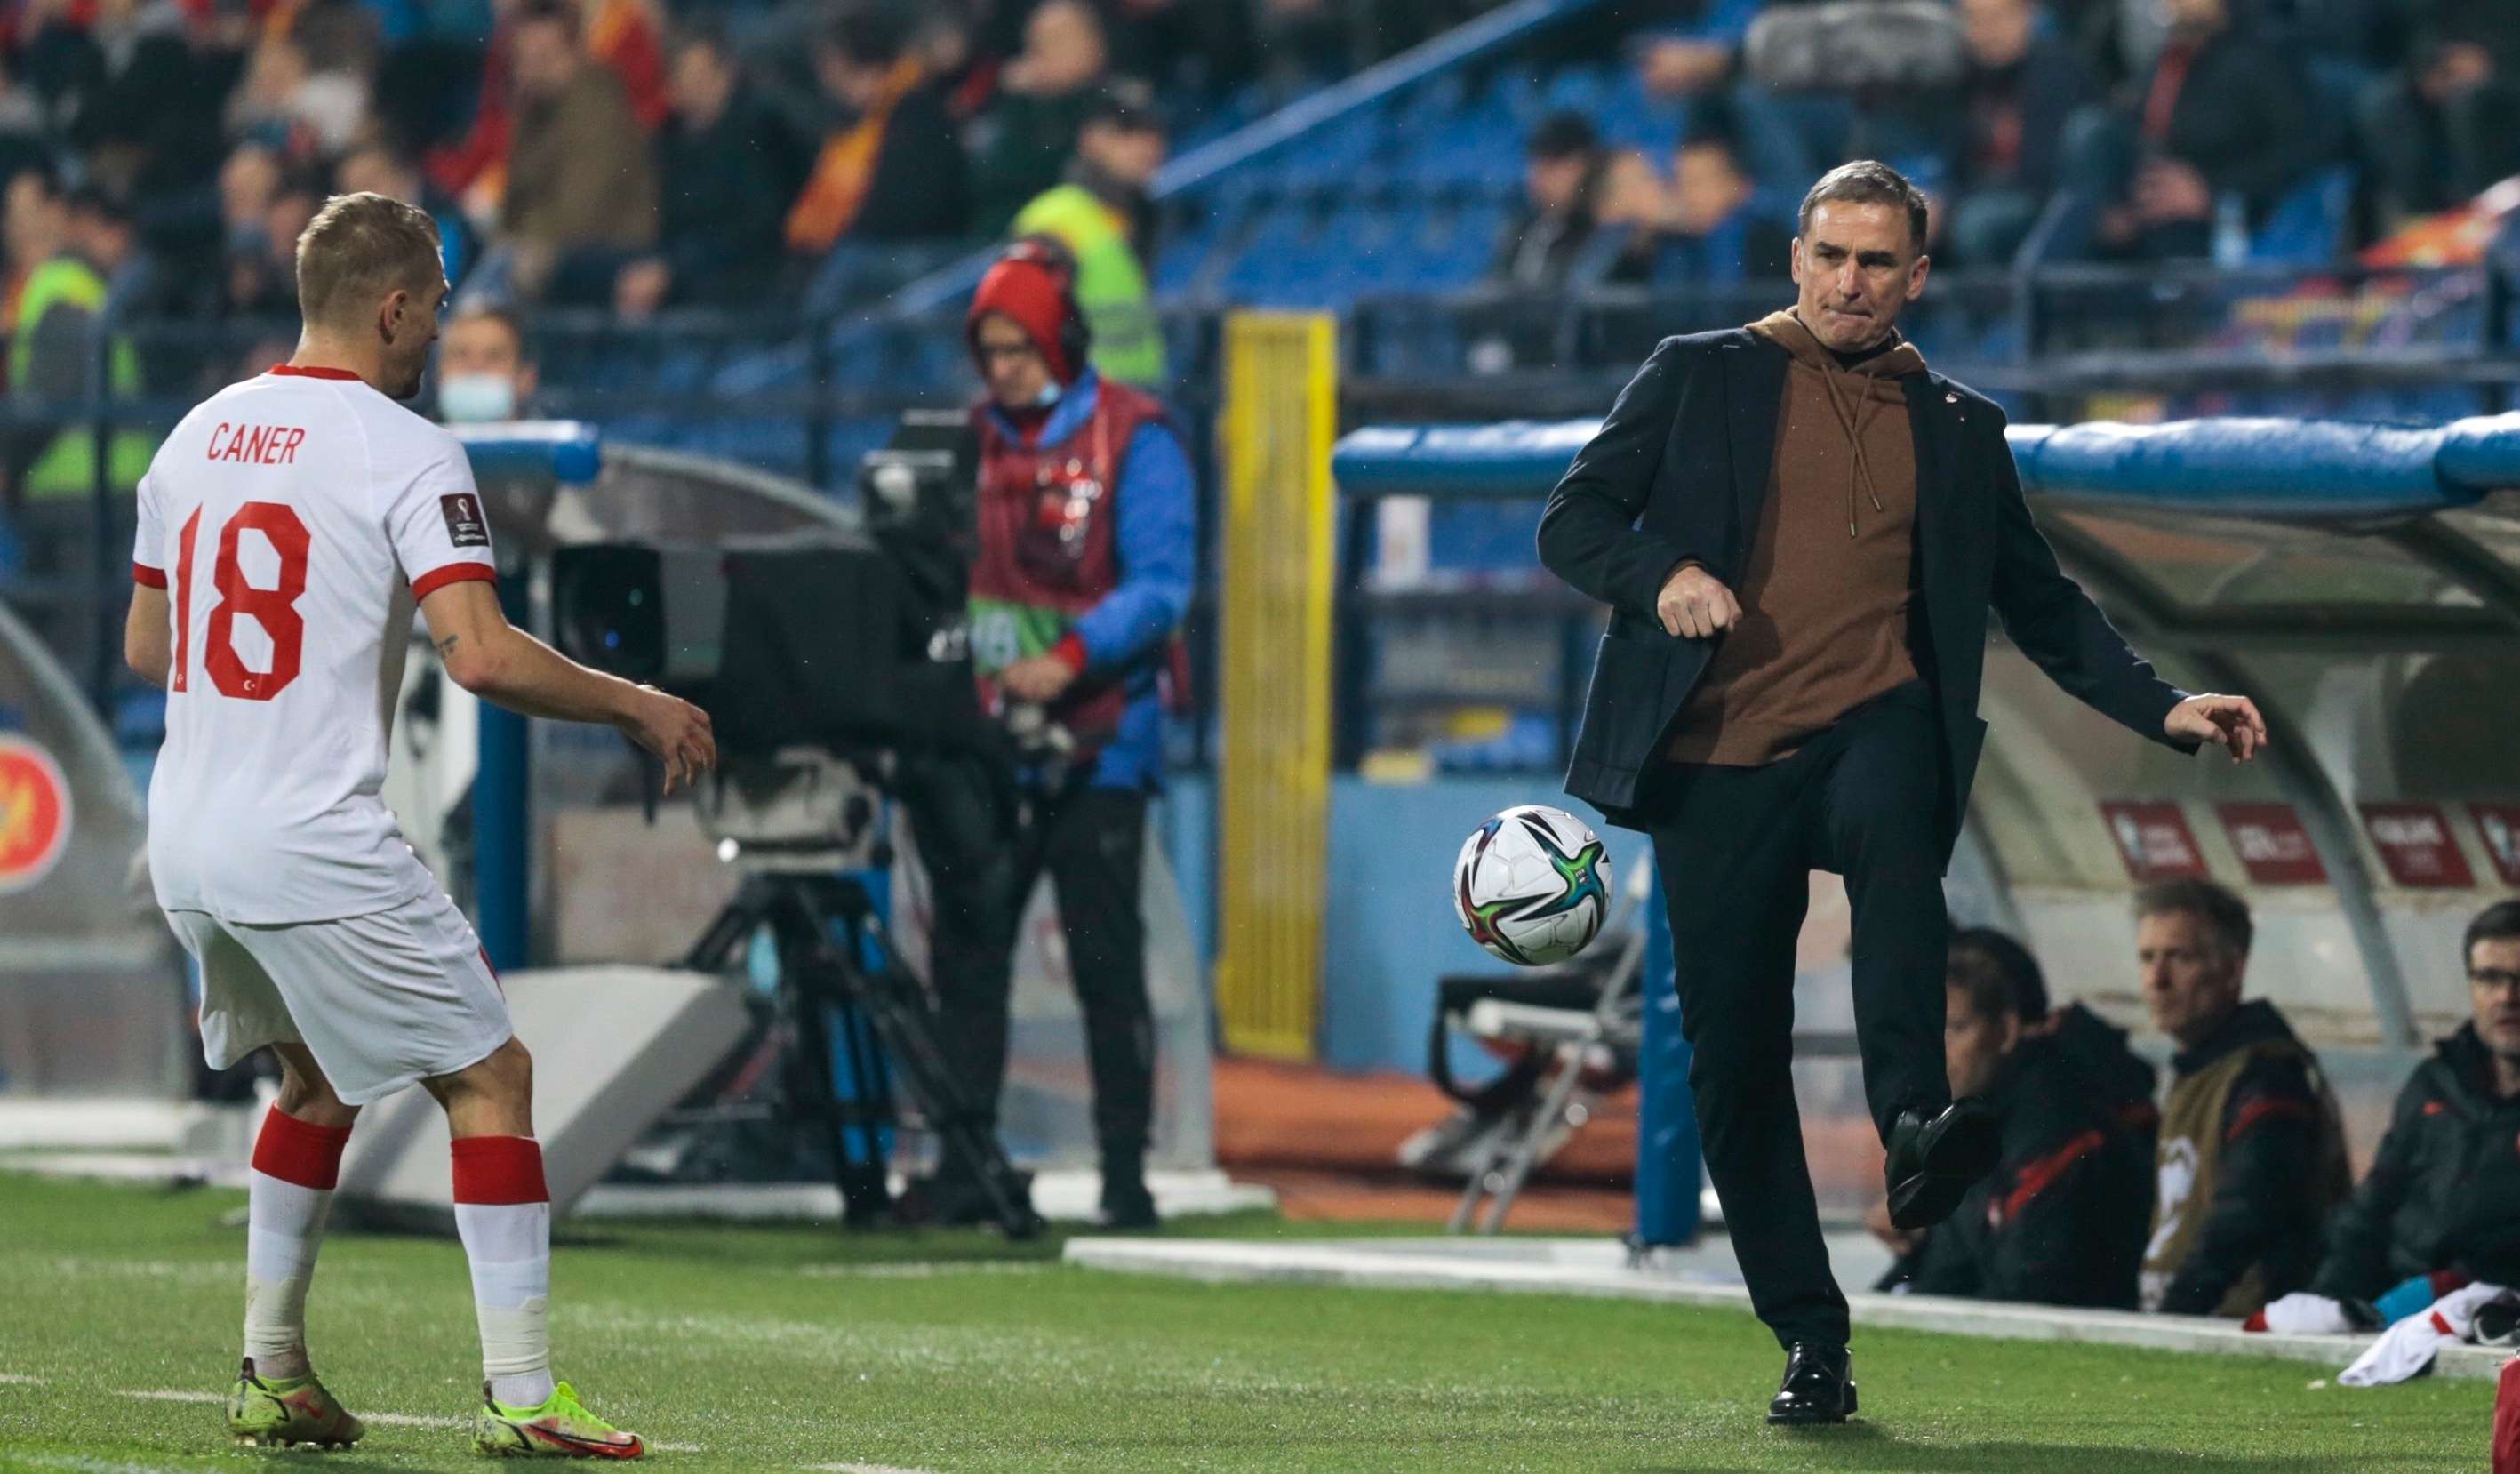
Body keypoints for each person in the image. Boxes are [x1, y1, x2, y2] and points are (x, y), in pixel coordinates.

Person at [1535, 159, 2268, 1422]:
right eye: (1829, 255)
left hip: (1866, 721)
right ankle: (1809, 1339)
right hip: (1712, 762)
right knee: (1732, 1067)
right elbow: (1572, 519)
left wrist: (2160, 702)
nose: (1848, 282)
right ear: (1793, 258)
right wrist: (1660, 577)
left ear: (1915, 276)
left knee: (1895, 819)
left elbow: (2037, 601)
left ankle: (1914, 1120)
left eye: (1876, 262)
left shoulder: (1956, 423)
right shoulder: (1694, 371)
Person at [124, 191, 712, 1457]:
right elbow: (484, 658)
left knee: (319, 1073)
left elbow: (142, 642)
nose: (438, 335)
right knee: (489, 1073)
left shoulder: (193, 434)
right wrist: (636, 704)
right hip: (307, 836)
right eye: (436, 310)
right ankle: (521, 1392)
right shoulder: (404, 446)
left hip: (187, 834)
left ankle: (272, 1369)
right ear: (393, 306)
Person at [899, 236, 1194, 1231]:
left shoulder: (1137, 437)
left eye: (1018, 349)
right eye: (989, 352)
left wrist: (1066, 658)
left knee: (1108, 962)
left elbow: (1162, 586)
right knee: (969, 957)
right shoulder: (964, 441)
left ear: (1059, 342)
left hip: (1104, 737)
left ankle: (1125, 1176)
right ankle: (965, 1161)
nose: (1001, 371)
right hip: (985, 739)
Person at [1875, 930, 2148, 1308]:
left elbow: (2032, 1290)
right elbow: (1947, 1271)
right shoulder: (1971, 1124)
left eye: (1954, 1029)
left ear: (2005, 1032)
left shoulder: (2055, 1125)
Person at [2134, 878, 2350, 1318]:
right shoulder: (2196, 1068)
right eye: (2147, 958)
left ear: (2232, 970)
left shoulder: (2265, 1074)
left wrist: (2178, 1311)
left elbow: (2247, 1214)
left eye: (2179, 957)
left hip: (2237, 1327)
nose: (2157, 980)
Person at [2298, 901, 2520, 1313]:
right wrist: (2324, 1305)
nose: (2507, 996)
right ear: (2471, 985)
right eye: (2490, 978)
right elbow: (2372, 1208)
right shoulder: (2434, 1084)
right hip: (2399, 1307)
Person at [2051, 0, 2323, 260]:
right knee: (2092, 130)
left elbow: (2301, 155)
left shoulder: (2261, 58)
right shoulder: (2168, 61)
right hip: (2144, 218)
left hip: (2225, 226)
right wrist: (2115, 208)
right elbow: (2142, 135)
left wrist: (2211, 193)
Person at [617, 24, 801, 318]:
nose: (693, 88)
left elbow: (757, 226)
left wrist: (673, 270)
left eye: (701, 77)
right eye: (683, 78)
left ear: (726, 73)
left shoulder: (759, 129)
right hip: (676, 268)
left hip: (745, 277)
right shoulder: (666, 139)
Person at [499, 0, 659, 304]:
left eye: (545, 57)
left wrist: (517, 242)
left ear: (576, 51)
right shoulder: (534, 110)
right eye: (524, 59)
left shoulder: (597, 106)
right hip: (550, 253)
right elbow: (513, 203)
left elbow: (580, 214)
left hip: (606, 259)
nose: (533, 70)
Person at [1009, 82, 1168, 387]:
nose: (1148, 145)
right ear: (1091, 139)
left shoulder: (1145, 215)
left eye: (1153, 132)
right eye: (1127, 133)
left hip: (1133, 401)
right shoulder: (1055, 216)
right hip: (1078, 404)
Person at [784, 5, 970, 258]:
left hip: (920, 250)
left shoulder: (915, 109)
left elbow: (899, 208)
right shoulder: (852, 119)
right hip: (868, 247)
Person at [1492, 110, 1611, 290]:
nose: (1540, 175)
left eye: (1554, 164)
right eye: (1537, 163)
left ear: (1586, 165)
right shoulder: (1524, 229)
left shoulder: (1600, 232)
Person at [436, 305, 538, 424]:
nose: (475, 367)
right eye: (461, 354)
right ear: (439, 371)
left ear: (526, 378)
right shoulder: (411, 440)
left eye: (494, 356)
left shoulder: (554, 440)